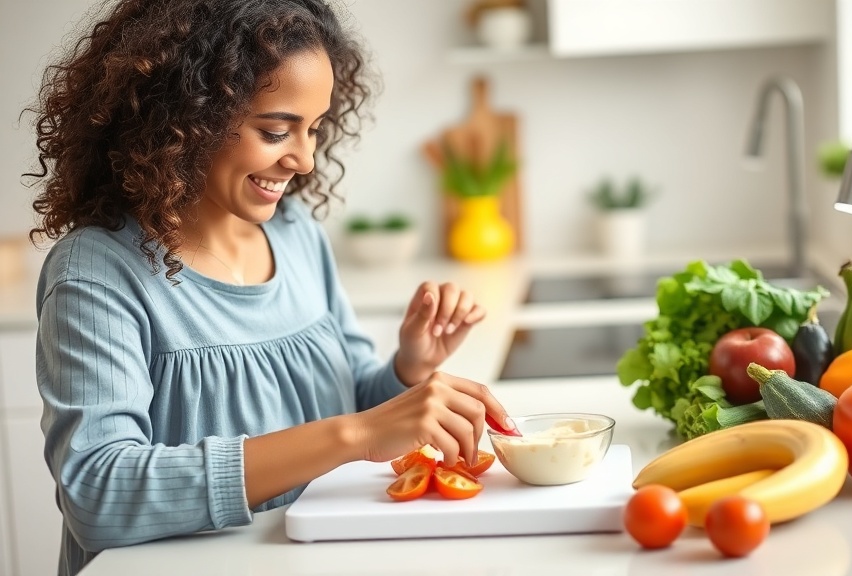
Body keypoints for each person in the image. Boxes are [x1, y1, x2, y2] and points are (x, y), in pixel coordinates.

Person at [25, 1, 518, 574]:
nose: (305, 159)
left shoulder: (295, 234)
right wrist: (357, 431)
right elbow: (98, 493)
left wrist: (407, 370)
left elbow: (352, 408)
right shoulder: (98, 271)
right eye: (276, 130)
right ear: (185, 116)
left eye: (314, 129)